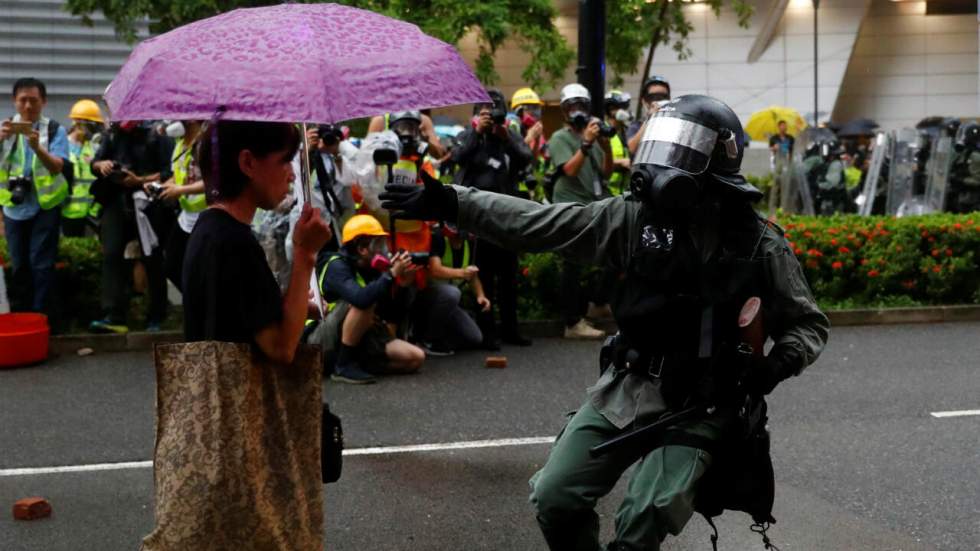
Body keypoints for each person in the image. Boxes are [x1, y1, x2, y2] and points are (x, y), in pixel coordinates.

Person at [380, 93, 830, 551]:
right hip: (627, 387)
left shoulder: (759, 244)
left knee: (641, 519)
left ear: (717, 161)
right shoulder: (632, 220)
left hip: (704, 402)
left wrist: (775, 366)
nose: (665, 161)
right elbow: (538, 223)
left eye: (685, 147)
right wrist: (453, 202)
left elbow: (808, 324)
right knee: (554, 496)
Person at [452, 90, 534, 348]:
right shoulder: (468, 135)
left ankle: (511, 330)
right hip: (479, 218)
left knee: (509, 278)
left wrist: (506, 136)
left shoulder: (508, 136)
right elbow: (457, 158)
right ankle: (487, 333)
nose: (492, 116)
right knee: (484, 277)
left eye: (495, 111)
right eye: (486, 112)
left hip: (507, 216)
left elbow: (526, 157)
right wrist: (478, 133)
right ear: (477, 115)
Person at [307, 214, 425, 384]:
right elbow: (361, 300)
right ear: (362, 248)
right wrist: (390, 275)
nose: (383, 249)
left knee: (415, 358)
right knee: (363, 300)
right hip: (319, 342)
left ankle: (358, 362)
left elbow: (389, 314)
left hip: (356, 340)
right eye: (377, 244)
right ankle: (343, 366)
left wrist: (403, 285)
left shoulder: (371, 270)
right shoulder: (336, 265)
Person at [89, 120, 174, 333]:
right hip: (115, 200)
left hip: (148, 203)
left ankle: (157, 314)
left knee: (152, 257)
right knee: (111, 254)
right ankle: (113, 314)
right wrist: (103, 165)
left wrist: (139, 180)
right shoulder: (112, 134)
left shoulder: (157, 133)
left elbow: (168, 173)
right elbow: (95, 163)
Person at [549, 83, 615, 339]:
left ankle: (598, 304)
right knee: (572, 263)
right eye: (571, 106)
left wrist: (605, 145)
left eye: (581, 106)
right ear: (565, 111)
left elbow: (606, 173)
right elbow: (569, 170)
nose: (577, 111)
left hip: (594, 206)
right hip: (569, 207)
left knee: (615, 253)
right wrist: (586, 144)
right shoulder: (559, 138)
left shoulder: (592, 135)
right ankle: (572, 323)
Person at [0, 78, 70, 314]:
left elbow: (58, 166)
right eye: (23, 100)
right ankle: (21, 314)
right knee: (19, 264)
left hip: (45, 206)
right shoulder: (5, 129)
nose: (28, 106)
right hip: (13, 205)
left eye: (34, 100)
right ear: (14, 101)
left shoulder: (53, 129)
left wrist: (37, 148)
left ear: (44, 101)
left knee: (41, 264)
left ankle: (41, 315)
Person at [412, 222, 486, 355]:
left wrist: (481, 295)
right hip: (425, 296)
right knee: (452, 293)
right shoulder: (438, 237)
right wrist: (462, 273)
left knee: (475, 338)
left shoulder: (468, 244)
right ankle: (427, 340)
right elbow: (435, 270)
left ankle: (440, 336)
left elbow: (473, 275)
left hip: (448, 302)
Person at [286, 123, 353, 264]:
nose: (324, 138)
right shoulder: (299, 153)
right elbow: (298, 179)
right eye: (319, 134)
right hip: (308, 220)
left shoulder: (334, 154)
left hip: (332, 223)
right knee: (306, 265)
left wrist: (336, 152)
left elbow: (347, 180)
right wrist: (308, 149)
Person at [156, 120, 205, 290]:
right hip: (186, 217)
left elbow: (214, 181)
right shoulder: (179, 145)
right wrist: (163, 186)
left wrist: (180, 190)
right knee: (172, 266)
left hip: (206, 216)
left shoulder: (207, 144)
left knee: (199, 270)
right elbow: (177, 175)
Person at [61, 99, 105, 236]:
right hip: (67, 211)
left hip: (91, 212)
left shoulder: (95, 147)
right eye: (93, 125)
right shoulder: (62, 146)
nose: (95, 130)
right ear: (79, 123)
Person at [367, 111, 446, 159]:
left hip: (418, 181)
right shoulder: (380, 121)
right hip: (386, 181)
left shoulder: (423, 120)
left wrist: (425, 139)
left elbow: (439, 154)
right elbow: (366, 155)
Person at [626, 75, 671, 156]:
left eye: (663, 96)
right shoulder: (637, 125)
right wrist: (650, 119)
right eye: (653, 97)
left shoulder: (673, 124)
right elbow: (632, 148)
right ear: (644, 101)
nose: (658, 100)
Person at [604, 90, 633, 195]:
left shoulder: (627, 130)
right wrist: (621, 162)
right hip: (607, 192)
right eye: (618, 108)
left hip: (624, 192)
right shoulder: (603, 131)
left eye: (624, 108)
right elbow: (598, 161)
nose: (623, 111)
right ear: (610, 110)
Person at [949, 122, 980, 213]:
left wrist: (961, 180)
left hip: (972, 200)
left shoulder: (975, 156)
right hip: (962, 196)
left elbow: (977, 181)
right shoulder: (965, 153)